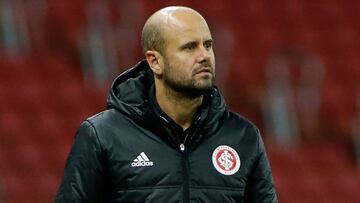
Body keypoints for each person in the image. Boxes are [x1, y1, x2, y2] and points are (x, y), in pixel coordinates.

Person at [55, 6, 278, 203]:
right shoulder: (102, 135)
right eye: (189, 47)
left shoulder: (243, 136)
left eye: (207, 45)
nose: (204, 56)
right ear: (155, 61)